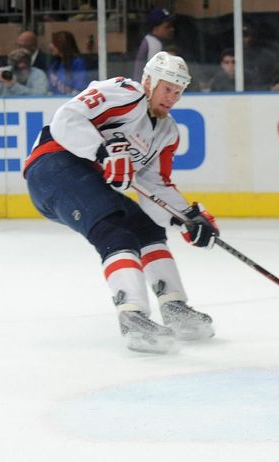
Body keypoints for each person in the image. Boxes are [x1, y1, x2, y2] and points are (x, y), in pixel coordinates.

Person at [23, 52, 217, 354]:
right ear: (149, 82)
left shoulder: (167, 133)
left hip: (87, 179)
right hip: (52, 168)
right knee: (116, 233)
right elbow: (68, 117)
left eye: (178, 91)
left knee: (147, 228)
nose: (173, 97)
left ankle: (175, 306)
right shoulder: (124, 93)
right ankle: (133, 316)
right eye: (168, 88)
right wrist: (103, 152)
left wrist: (188, 217)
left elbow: (156, 185)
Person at [133, 8, 175, 82]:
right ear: (156, 28)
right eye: (167, 27)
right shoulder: (154, 44)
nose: (172, 29)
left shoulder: (151, 40)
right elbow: (154, 73)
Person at [48, 30, 88, 95]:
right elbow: (50, 90)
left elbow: (80, 89)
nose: (50, 46)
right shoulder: (55, 64)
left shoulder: (78, 63)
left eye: (54, 43)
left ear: (62, 44)